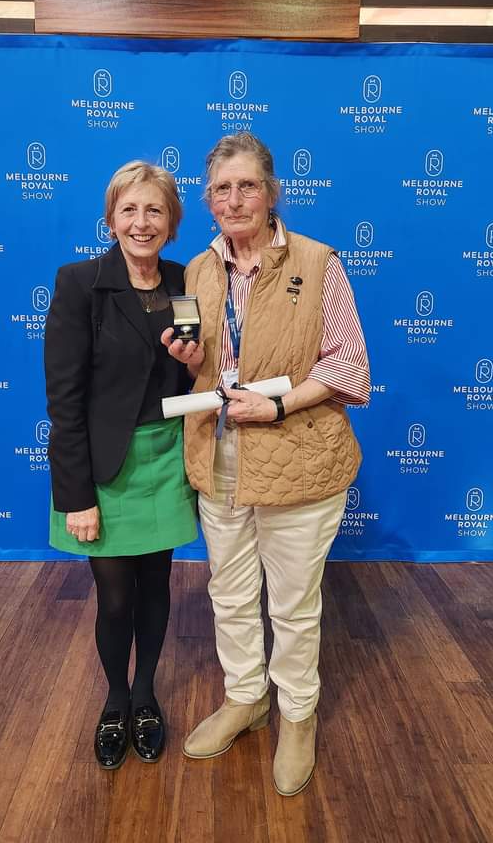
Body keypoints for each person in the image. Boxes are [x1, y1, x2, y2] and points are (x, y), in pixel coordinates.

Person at [163, 133, 370, 796]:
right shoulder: (196, 271)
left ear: (271, 192)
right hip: (219, 456)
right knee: (228, 593)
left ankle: (297, 716)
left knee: (292, 604)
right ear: (208, 200)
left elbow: (348, 365)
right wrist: (187, 359)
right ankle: (246, 698)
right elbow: (196, 351)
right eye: (222, 189)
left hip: (298, 459)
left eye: (248, 185)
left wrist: (276, 409)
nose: (235, 199)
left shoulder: (319, 262)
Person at [45, 161, 197, 770]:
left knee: (157, 587)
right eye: (130, 210)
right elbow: (64, 399)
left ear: (172, 222)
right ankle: (114, 699)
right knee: (113, 600)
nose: (142, 222)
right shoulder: (80, 283)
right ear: (111, 218)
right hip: (104, 469)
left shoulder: (188, 282)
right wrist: (74, 494)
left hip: (165, 458)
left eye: (154, 210)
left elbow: (201, 375)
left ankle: (145, 695)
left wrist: (195, 362)